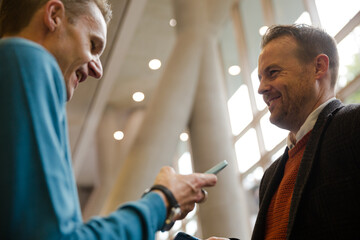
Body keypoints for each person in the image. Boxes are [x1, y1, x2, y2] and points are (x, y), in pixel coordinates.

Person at [0, 0, 217, 239]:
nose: (97, 70)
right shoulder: (25, 61)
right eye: (93, 44)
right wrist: (163, 200)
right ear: (54, 16)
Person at [251, 24, 360, 239]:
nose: (261, 88)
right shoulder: (271, 177)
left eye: (272, 73)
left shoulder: (353, 127)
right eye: (260, 78)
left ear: (318, 67)